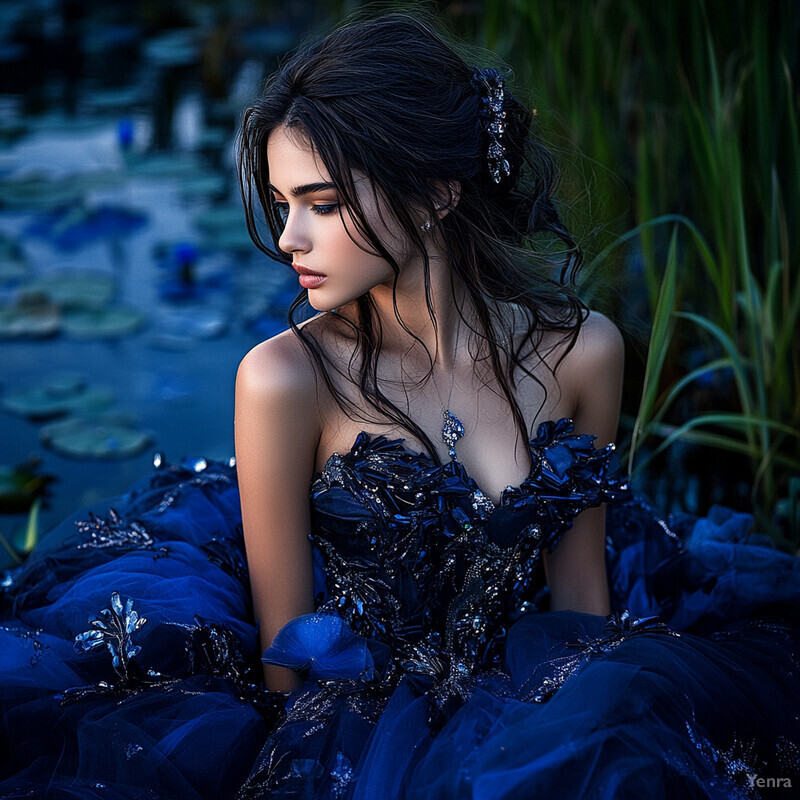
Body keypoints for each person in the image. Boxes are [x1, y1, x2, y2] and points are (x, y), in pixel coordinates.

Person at [1, 12, 799, 800]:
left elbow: (581, 602)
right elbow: (286, 667)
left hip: (528, 698)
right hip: (348, 723)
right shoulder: (284, 378)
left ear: (435, 194)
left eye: (321, 202)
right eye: (282, 204)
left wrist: (577, 740)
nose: (288, 239)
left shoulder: (583, 351)